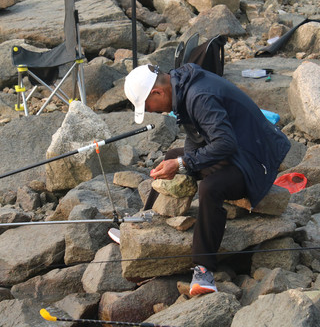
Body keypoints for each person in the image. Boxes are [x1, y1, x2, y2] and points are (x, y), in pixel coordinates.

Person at [123, 63, 291, 296]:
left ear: (158, 92)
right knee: (172, 155)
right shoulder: (183, 86)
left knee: (211, 187)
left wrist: (184, 164)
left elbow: (225, 143)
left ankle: (204, 271)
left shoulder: (199, 94)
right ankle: (145, 218)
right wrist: (182, 161)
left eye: (148, 105)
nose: (151, 111)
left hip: (255, 161)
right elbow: (198, 136)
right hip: (238, 150)